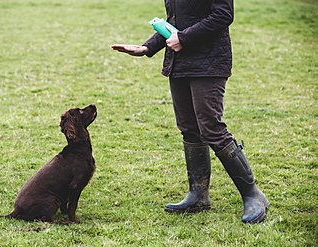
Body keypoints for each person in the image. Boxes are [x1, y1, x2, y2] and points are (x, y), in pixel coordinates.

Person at [111, 0, 269, 224]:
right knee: (189, 129)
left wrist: (184, 39)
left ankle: (253, 194)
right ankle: (198, 195)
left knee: (212, 129)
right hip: (180, 62)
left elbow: (223, 15)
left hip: (209, 60)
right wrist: (147, 47)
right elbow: (176, 22)